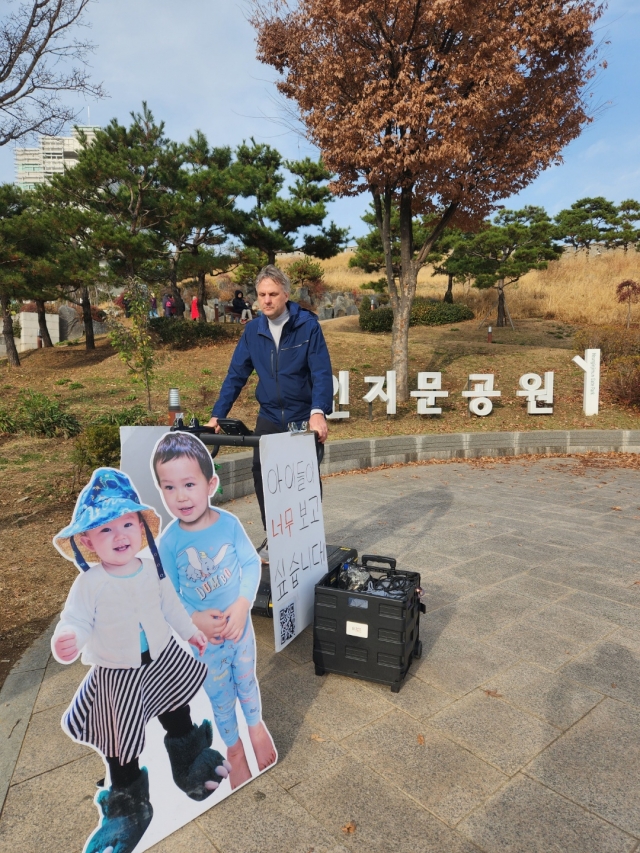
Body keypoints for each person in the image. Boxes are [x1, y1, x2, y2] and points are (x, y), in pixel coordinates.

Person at [52, 468, 231, 853]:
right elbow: (77, 620)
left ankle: (189, 763)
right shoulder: (89, 583)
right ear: (86, 540)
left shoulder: (151, 569)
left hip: (162, 662)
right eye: (105, 530)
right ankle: (128, 807)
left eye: (127, 524)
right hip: (119, 675)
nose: (120, 536)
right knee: (122, 741)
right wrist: (69, 638)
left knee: (177, 715)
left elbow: (171, 605)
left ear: (141, 528)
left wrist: (190, 632)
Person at [153, 431, 277, 790]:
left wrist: (242, 605)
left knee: (247, 681)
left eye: (189, 484)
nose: (180, 496)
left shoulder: (228, 524)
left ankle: (256, 728)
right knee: (221, 696)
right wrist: (194, 620)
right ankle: (234, 750)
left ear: (211, 484)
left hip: (239, 631)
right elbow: (168, 594)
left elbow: (252, 565)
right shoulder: (170, 542)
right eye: (169, 487)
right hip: (203, 644)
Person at [206, 264, 333, 561]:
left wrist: (318, 412)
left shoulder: (307, 326)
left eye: (273, 294)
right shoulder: (253, 331)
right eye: (262, 294)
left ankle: (307, 538)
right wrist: (217, 414)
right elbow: (236, 375)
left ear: (285, 294)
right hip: (270, 415)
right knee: (262, 473)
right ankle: (275, 536)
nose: (266, 300)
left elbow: (321, 372)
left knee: (304, 481)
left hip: (302, 415)